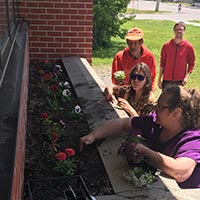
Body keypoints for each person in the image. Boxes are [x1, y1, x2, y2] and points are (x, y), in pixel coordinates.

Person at [80, 85, 200, 189]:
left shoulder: (192, 140)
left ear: (176, 113)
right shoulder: (156, 123)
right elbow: (124, 123)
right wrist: (93, 135)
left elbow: (181, 172)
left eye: (160, 107)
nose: (155, 109)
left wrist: (145, 151)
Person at [158, 21, 195, 90]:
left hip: (180, 81)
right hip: (167, 80)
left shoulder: (188, 47)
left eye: (181, 29)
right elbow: (162, 63)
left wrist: (186, 76)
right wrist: (159, 79)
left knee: (178, 100)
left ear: (184, 31)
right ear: (174, 31)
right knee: (165, 100)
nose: (179, 31)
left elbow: (191, 63)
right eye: (177, 29)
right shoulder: (166, 46)